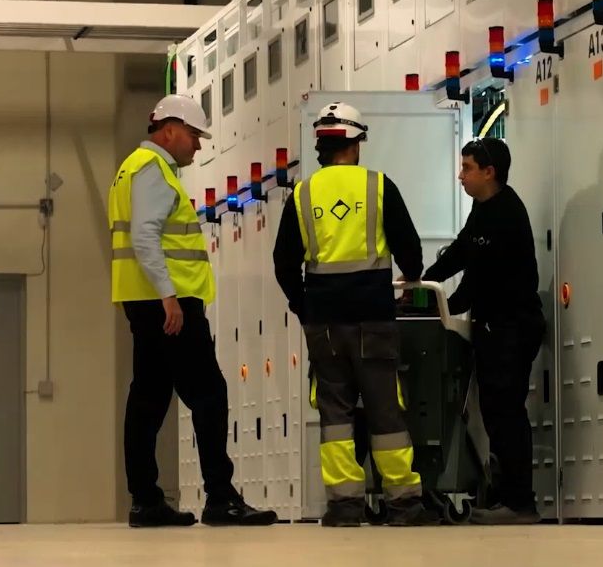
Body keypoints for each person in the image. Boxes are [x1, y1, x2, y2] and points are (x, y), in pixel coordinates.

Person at [109, 94, 277, 528]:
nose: (198, 146)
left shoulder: (132, 168)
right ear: (169, 130)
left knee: (148, 397)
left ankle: (146, 500)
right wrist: (169, 296)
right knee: (208, 392)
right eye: (193, 136)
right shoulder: (151, 170)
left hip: (147, 298)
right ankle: (219, 497)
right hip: (168, 304)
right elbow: (146, 237)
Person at [272, 102, 440, 527]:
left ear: (322, 146)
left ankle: (344, 505)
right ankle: (403, 502)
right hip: (373, 318)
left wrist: (303, 304)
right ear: (355, 141)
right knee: (385, 409)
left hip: (324, 322)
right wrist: (412, 277)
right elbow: (409, 248)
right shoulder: (378, 186)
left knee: (335, 413)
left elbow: (283, 261)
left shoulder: (302, 193)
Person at [422, 138, 545, 525]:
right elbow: (461, 251)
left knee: (505, 413)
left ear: (489, 172)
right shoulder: (483, 209)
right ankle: (503, 494)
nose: (461, 176)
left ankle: (520, 503)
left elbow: (479, 279)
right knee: (493, 412)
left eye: (467, 168)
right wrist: (423, 282)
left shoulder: (507, 213)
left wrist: (442, 305)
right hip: (493, 327)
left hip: (512, 327)